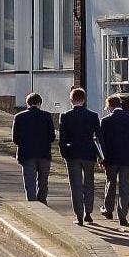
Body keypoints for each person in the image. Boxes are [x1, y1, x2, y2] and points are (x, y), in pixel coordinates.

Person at [57, 87, 102, 225]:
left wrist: (64, 153)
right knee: (89, 183)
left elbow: (62, 139)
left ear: (71, 100)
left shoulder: (65, 116)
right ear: (84, 100)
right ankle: (89, 212)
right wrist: (100, 155)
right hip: (89, 153)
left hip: (73, 154)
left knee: (75, 185)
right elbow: (99, 137)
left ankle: (79, 216)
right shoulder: (93, 116)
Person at [99, 93, 129, 227]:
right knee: (125, 187)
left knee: (110, 183)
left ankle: (108, 210)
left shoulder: (106, 121)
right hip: (127, 159)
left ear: (109, 106)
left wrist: (102, 159)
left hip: (111, 158)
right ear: (120, 105)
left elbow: (102, 142)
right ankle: (122, 215)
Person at [12, 93, 55, 202]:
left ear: (27, 104)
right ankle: (42, 201)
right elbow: (52, 137)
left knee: (29, 182)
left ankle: (32, 204)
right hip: (44, 154)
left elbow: (15, 139)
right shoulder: (47, 116)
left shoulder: (19, 117)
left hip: (26, 154)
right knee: (43, 181)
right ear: (40, 103)